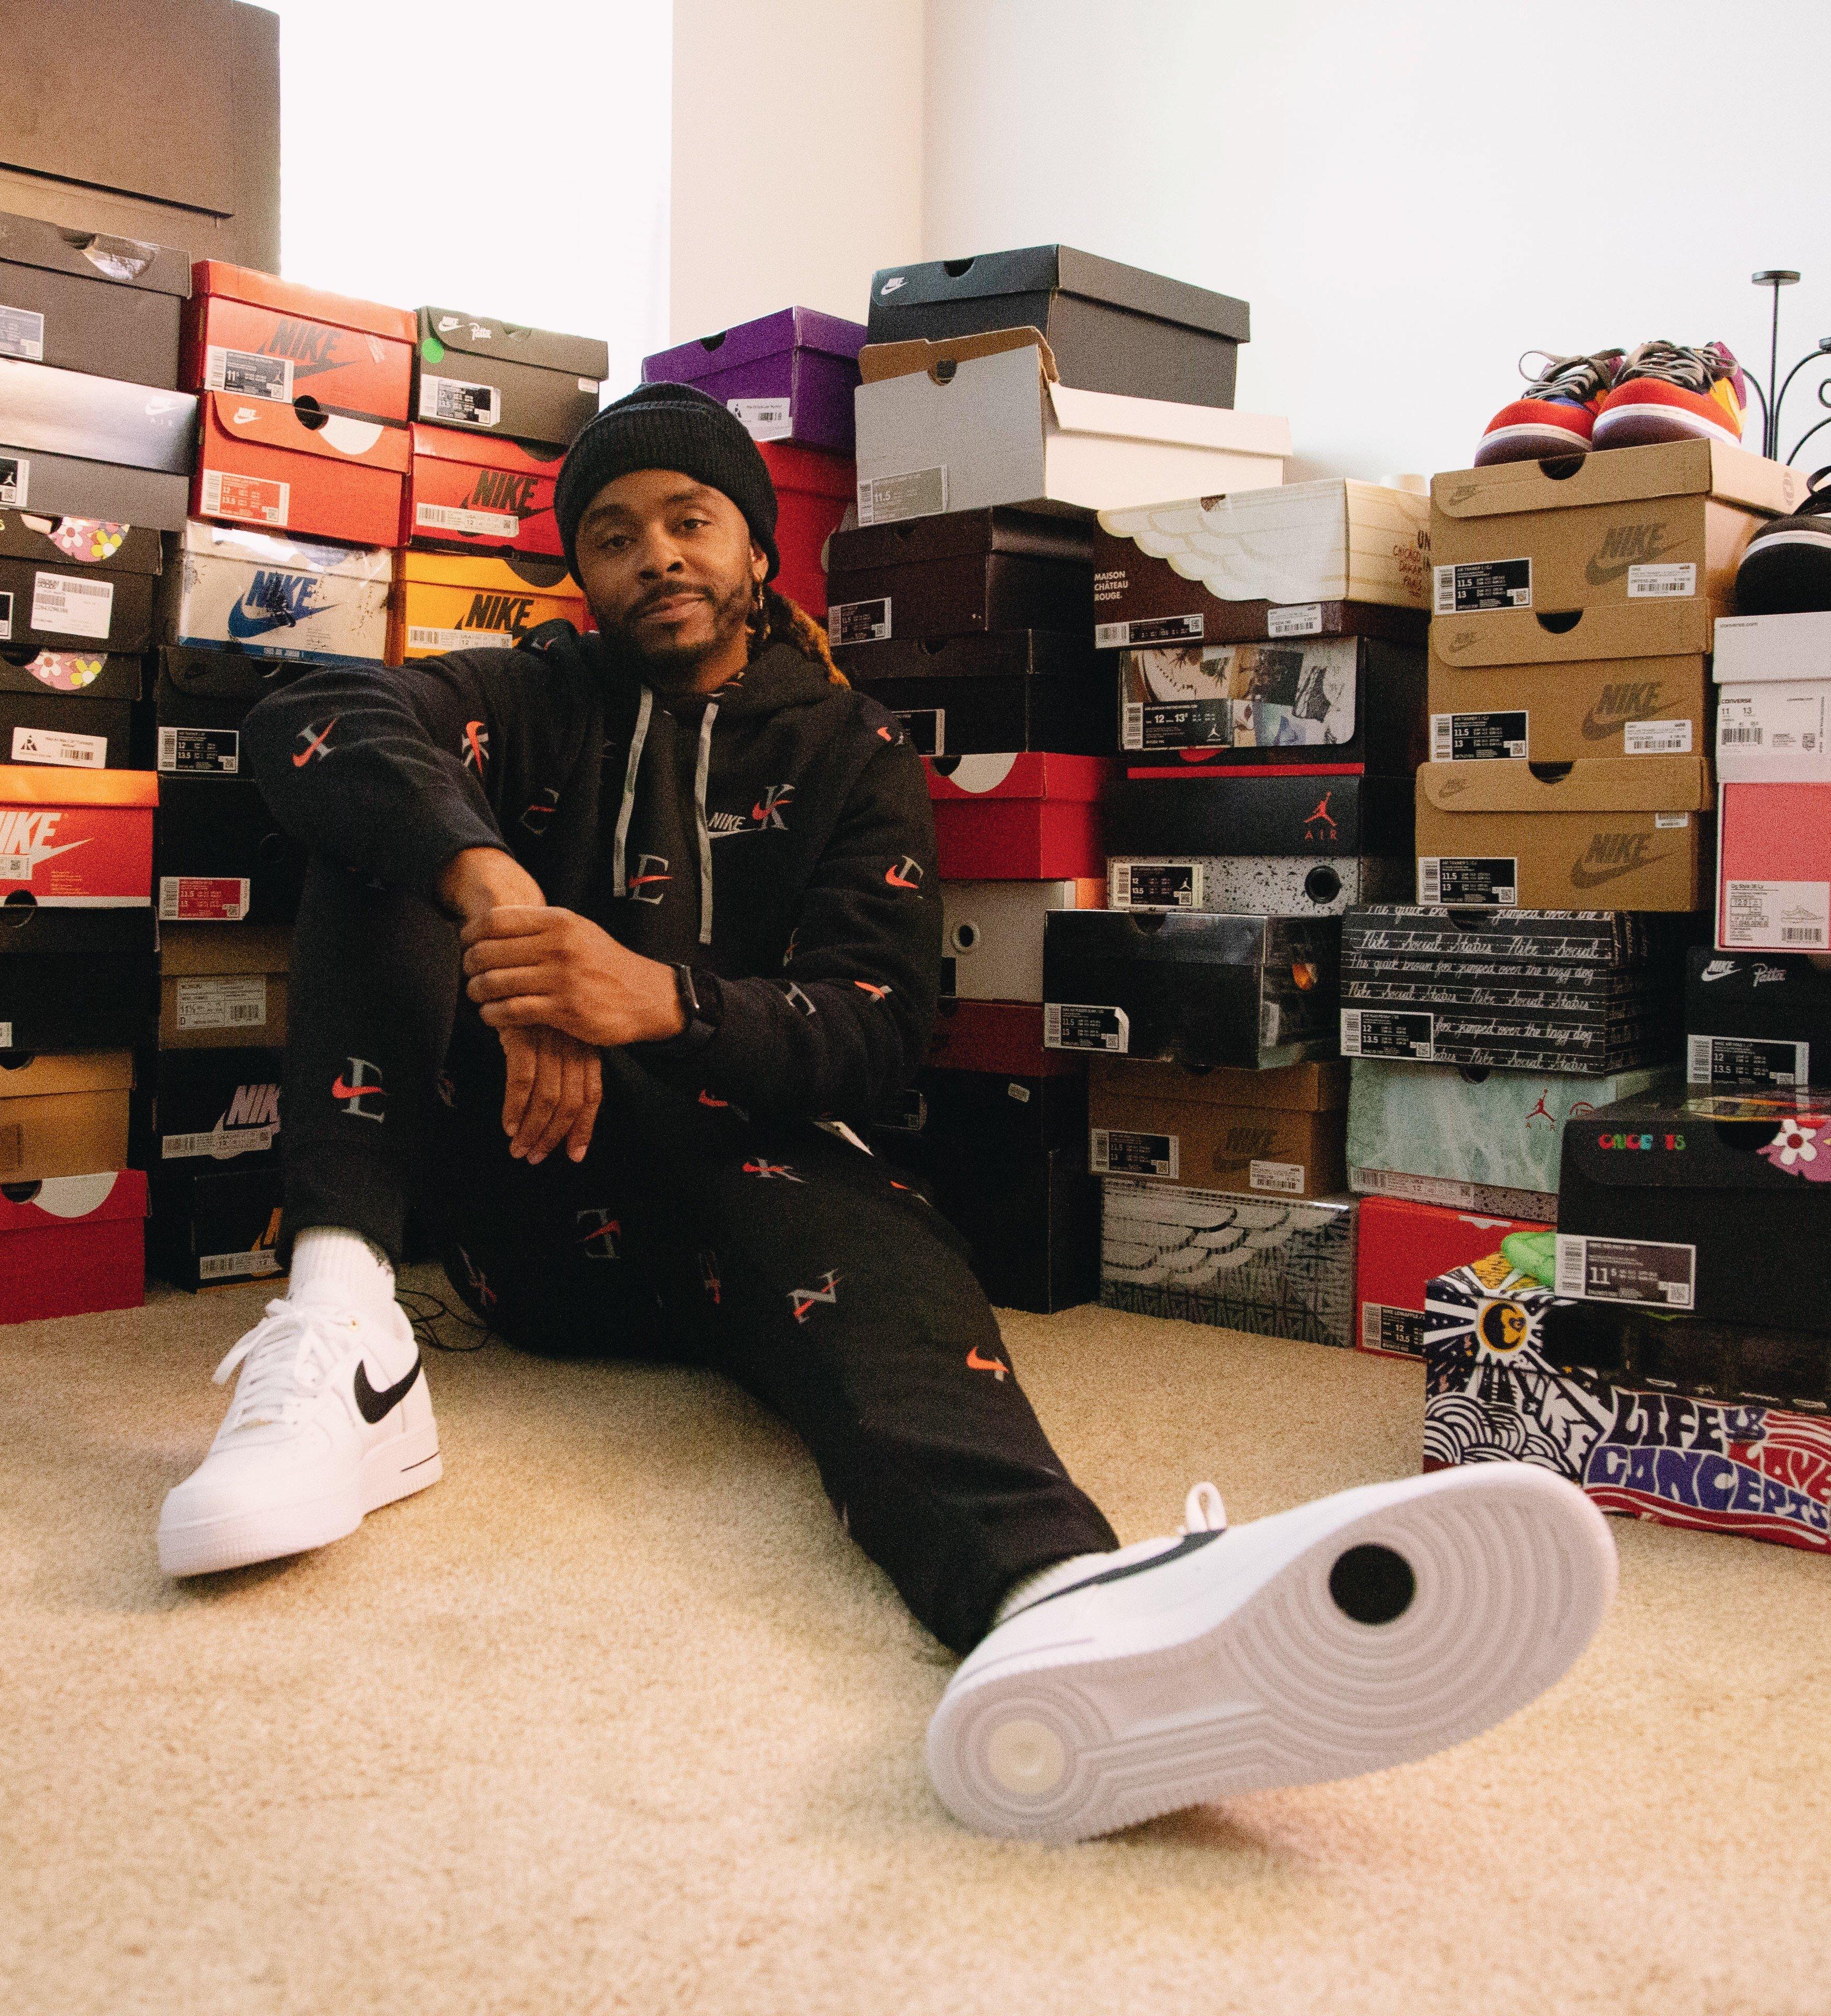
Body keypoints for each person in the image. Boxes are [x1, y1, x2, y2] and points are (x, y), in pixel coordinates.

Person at [156, 384, 1617, 1841]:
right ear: (580, 575)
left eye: (690, 520)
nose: (655, 555)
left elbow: (876, 1044)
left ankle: (1061, 1607)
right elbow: (311, 711)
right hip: (521, 1202)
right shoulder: (530, 699)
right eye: (612, 536)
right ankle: (347, 1333)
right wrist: (509, 907)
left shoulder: (852, 753)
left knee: (864, 1249)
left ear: (756, 548)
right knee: (378, 826)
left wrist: (655, 1003)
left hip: (749, 1197)